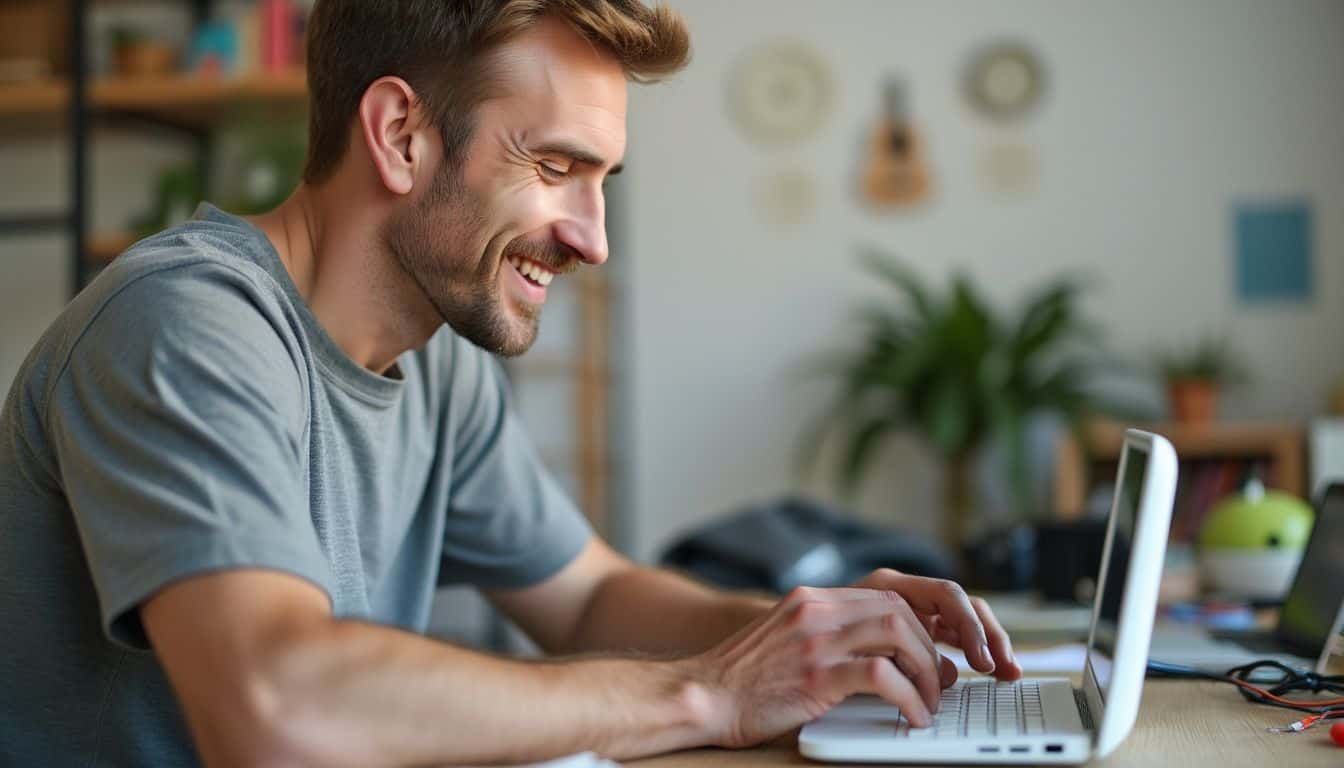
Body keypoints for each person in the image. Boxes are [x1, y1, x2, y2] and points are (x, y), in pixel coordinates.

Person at [0, 2, 1022, 765]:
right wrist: (706, 694)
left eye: (602, 183)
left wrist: (815, 634)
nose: (594, 239)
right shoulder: (185, 323)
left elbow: (587, 600)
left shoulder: (433, 363)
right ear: (400, 134)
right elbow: (276, 709)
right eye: (554, 168)